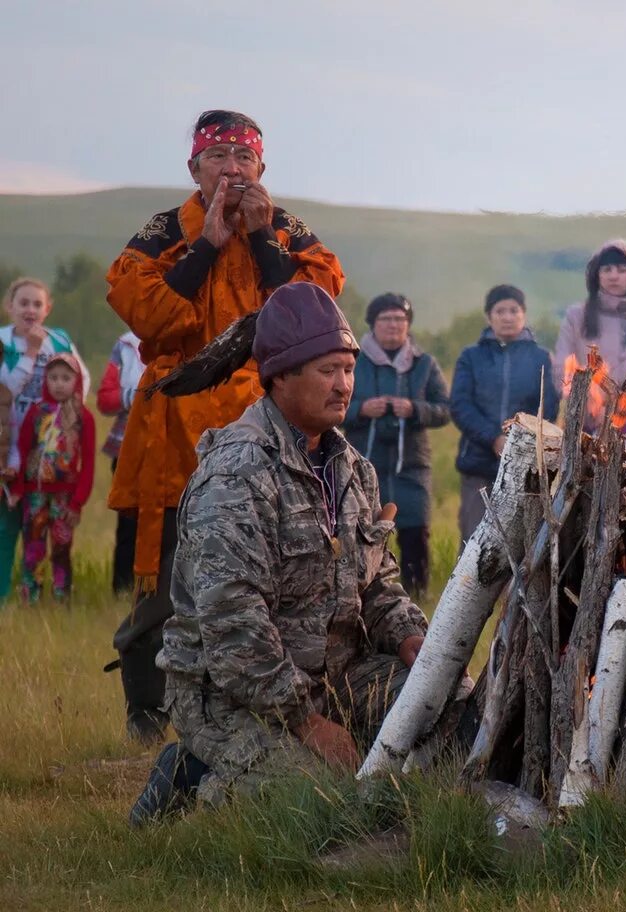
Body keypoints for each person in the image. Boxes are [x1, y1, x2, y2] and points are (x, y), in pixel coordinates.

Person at [142, 282, 428, 814]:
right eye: (327, 371)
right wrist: (308, 724)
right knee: (320, 804)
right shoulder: (236, 474)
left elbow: (379, 586)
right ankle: (192, 776)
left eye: (348, 369)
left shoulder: (351, 470)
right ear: (280, 377)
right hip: (233, 693)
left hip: (336, 674)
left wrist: (413, 638)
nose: (344, 385)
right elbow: (233, 626)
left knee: (449, 718)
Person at [105, 109, 345, 744]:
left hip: (262, 426)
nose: (232, 171)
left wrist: (263, 241)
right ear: (194, 170)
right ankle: (147, 713)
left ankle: (263, 706)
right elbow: (148, 318)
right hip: (175, 430)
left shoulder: (287, 230)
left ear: (262, 170)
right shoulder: (162, 235)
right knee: (164, 581)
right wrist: (207, 245)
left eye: (244, 160)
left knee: (263, 572)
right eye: (218, 160)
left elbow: (315, 309)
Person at [342, 293, 450, 595]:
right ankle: (364, 593)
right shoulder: (353, 361)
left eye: (400, 319)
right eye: (386, 319)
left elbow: (445, 408)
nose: (393, 325)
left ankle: (418, 595)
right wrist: (361, 409)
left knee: (415, 530)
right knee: (363, 531)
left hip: (412, 465)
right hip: (363, 463)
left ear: (408, 324)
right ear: (373, 324)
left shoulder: (424, 364)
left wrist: (415, 409)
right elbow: (330, 404)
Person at [1, 278, 90, 601]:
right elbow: (6, 391)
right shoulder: (3, 342)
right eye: (23, 303)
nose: (30, 310)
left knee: (42, 532)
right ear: (9, 307)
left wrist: (69, 416)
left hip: (45, 450)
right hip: (7, 442)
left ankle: (47, 595)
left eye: (37, 304)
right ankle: (8, 593)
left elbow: (81, 377)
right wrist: (32, 353)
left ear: (47, 309)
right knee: (8, 525)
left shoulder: (59, 341)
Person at [451, 284, 560, 542]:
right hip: (478, 464)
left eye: (514, 310)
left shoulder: (541, 358)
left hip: (526, 468)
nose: (508, 317)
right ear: (489, 316)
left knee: (522, 542)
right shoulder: (471, 357)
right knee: (474, 542)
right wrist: (493, 438)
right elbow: (460, 405)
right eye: (500, 311)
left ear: (524, 314)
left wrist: (517, 440)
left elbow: (549, 408)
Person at [555, 240, 626, 436]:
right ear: (596, 275)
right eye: (606, 269)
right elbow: (561, 366)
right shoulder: (576, 317)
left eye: (621, 270)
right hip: (582, 423)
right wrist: (586, 399)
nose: (613, 276)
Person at [9, 354, 94, 601]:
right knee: (33, 549)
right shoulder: (36, 413)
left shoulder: (82, 417)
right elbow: (24, 452)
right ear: (45, 379)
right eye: (53, 377)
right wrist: (18, 489)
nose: (59, 384)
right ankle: (30, 598)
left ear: (76, 381)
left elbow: (87, 464)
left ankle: (61, 599)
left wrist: (77, 503)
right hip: (35, 496)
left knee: (61, 549)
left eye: (66, 378)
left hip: (64, 497)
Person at [97, 330, 143, 595]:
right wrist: (136, 395)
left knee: (171, 522)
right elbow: (105, 399)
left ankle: (161, 594)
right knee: (128, 523)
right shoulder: (125, 345)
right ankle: (123, 590)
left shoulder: (183, 334)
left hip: (172, 447)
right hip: (126, 448)